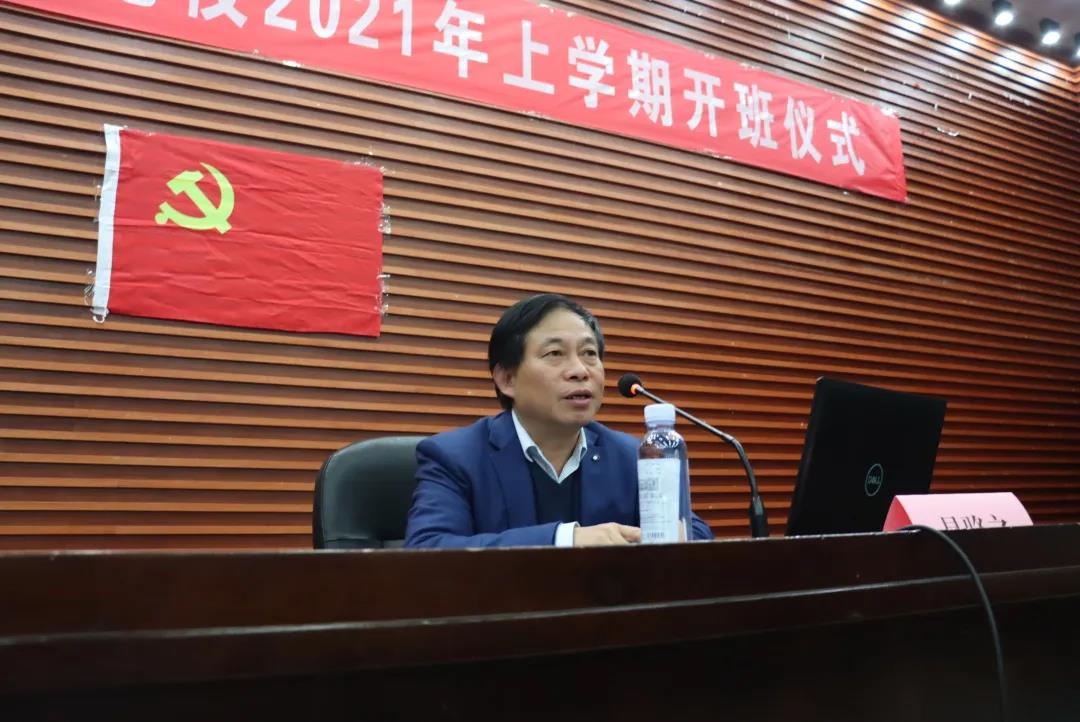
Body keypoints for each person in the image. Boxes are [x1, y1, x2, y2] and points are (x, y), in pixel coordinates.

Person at [405, 293, 714, 548]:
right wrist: (566, 538)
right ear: (507, 379)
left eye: (589, 353)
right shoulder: (455, 457)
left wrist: (666, 535)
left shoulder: (631, 456)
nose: (580, 370)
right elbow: (427, 549)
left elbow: (697, 533)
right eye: (555, 353)